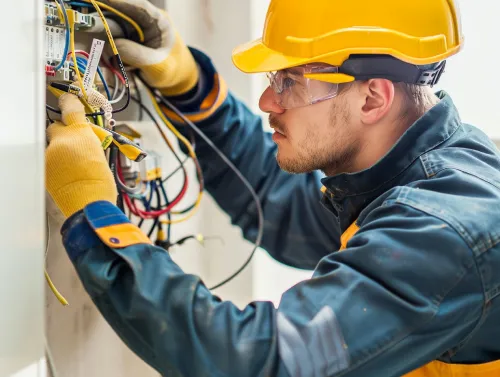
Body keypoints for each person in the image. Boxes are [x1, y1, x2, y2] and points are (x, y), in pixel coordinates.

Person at [45, 0, 500, 376]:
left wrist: (94, 211)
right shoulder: (397, 175)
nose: (266, 100)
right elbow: (284, 206)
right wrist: (192, 88)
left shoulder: (445, 229)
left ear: (372, 97)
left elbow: (256, 362)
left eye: (290, 81)